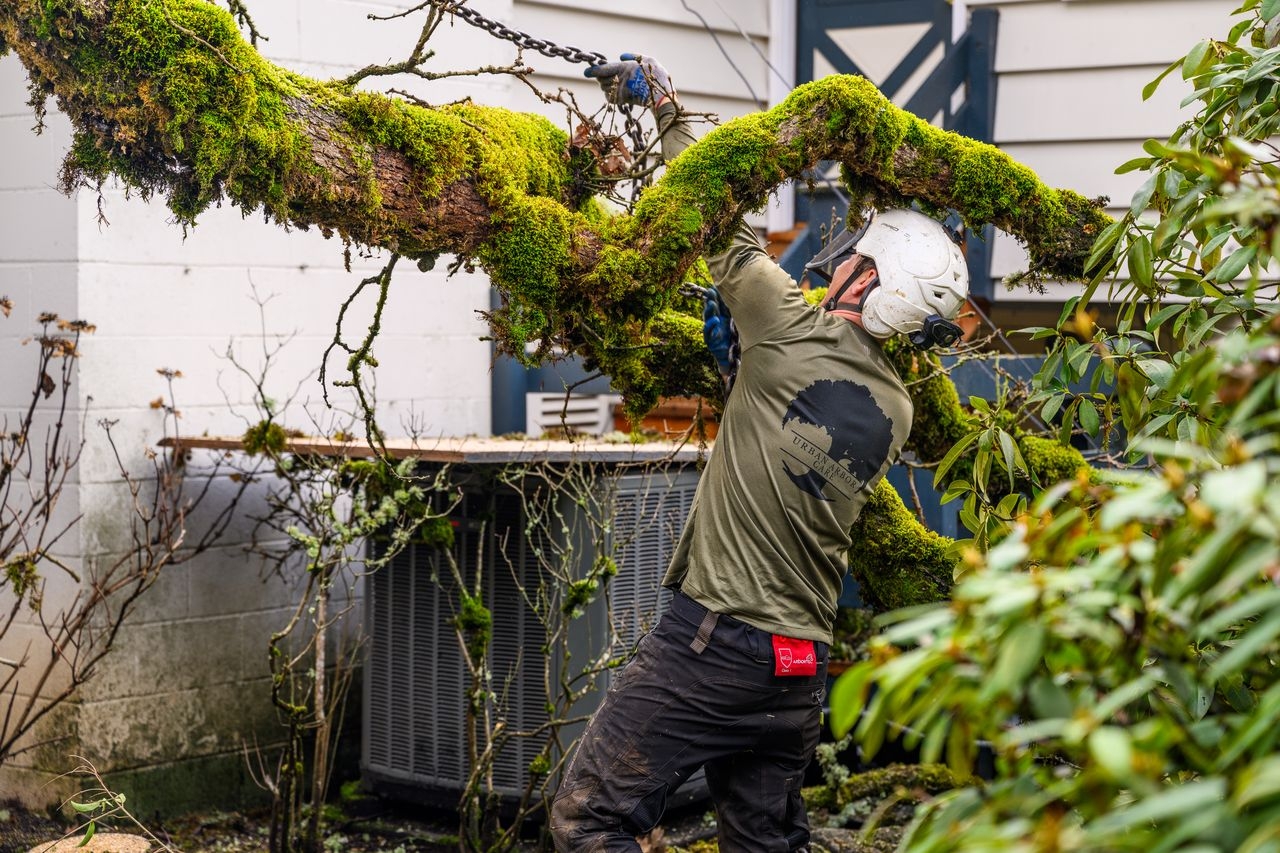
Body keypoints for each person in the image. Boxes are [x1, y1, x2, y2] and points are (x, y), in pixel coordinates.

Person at [550, 55, 970, 853]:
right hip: (796, 670)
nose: (840, 257)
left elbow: (716, 216)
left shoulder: (786, 325)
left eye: (857, 253)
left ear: (872, 282)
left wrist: (667, 104)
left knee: (588, 820)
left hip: (714, 645)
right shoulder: (899, 407)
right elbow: (801, 426)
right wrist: (739, 370)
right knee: (765, 846)